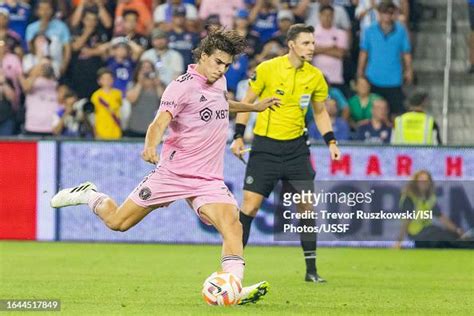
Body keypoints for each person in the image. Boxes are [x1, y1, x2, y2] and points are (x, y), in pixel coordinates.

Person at [50, 28, 281, 304]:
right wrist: (150, 146)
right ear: (204, 56)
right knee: (117, 223)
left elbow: (220, 104)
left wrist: (252, 108)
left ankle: (233, 286)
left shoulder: (218, 83)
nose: (223, 70)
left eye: (228, 65)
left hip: (207, 179)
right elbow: (159, 122)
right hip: (172, 173)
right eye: (218, 62)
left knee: (232, 224)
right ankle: (89, 194)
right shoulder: (181, 86)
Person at [231, 24, 341, 283]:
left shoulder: (315, 76)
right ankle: (232, 268)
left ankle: (311, 271)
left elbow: (321, 112)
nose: (312, 48)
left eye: (313, 43)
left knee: (306, 207)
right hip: (265, 148)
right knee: (250, 206)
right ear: (291, 44)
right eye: (306, 43)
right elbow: (247, 102)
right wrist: (237, 136)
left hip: (296, 150)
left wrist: (332, 142)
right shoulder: (268, 69)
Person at [357, 1, 412, 117]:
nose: (387, 15)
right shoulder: (369, 30)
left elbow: (406, 52)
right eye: (384, 13)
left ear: (394, 14)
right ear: (378, 13)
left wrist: (408, 70)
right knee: (374, 113)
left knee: (396, 113)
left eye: (390, 13)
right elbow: (364, 52)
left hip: (394, 78)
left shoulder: (401, 31)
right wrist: (360, 71)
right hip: (373, 77)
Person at [395, 170, 470, 249]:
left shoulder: (429, 198)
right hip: (417, 233)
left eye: (426, 180)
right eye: (421, 180)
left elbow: (441, 218)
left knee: (450, 235)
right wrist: (399, 241)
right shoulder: (409, 198)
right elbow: (406, 221)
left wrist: (456, 230)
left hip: (427, 231)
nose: (424, 183)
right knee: (445, 237)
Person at [25, 0, 71, 77]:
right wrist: (42, 30)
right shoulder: (31, 28)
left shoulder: (61, 26)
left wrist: (64, 66)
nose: (45, 12)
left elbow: (67, 50)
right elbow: (30, 49)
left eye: (47, 9)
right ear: (37, 11)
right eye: (42, 9)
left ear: (52, 10)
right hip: (37, 66)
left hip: (56, 66)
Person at [313, 5, 349, 94]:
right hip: (317, 79)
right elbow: (310, 51)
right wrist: (331, 47)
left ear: (333, 16)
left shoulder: (341, 33)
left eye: (330, 15)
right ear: (319, 15)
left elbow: (340, 54)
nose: (327, 17)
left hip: (336, 78)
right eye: (324, 15)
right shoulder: (311, 33)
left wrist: (318, 49)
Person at [125, 60, 165, 137]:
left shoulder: (160, 85)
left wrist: (158, 85)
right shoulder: (133, 84)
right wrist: (140, 83)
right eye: (143, 68)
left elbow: (164, 102)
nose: (146, 70)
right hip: (135, 128)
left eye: (149, 68)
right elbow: (132, 99)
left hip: (154, 128)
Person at [20, 56, 58, 136]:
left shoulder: (57, 83)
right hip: (33, 126)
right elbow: (26, 88)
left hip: (52, 126)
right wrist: (37, 71)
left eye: (48, 65)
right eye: (43, 66)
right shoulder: (32, 81)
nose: (45, 68)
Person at [90, 68, 122, 139]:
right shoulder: (96, 96)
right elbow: (93, 116)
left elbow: (122, 112)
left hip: (116, 132)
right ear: (99, 81)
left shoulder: (118, 94)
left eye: (109, 78)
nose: (107, 81)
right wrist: (95, 133)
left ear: (113, 80)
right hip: (101, 132)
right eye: (104, 79)